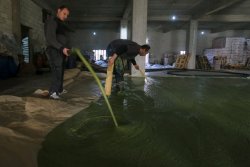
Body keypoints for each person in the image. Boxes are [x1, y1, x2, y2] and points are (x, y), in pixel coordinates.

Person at [44, 5, 70, 99]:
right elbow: (50, 38)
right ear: (58, 11)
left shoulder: (60, 23)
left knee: (61, 70)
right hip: (54, 50)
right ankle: (53, 92)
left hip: (60, 51)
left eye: (67, 15)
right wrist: (61, 48)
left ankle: (59, 89)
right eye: (64, 13)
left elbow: (61, 38)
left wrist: (65, 48)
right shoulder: (52, 21)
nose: (66, 16)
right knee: (56, 71)